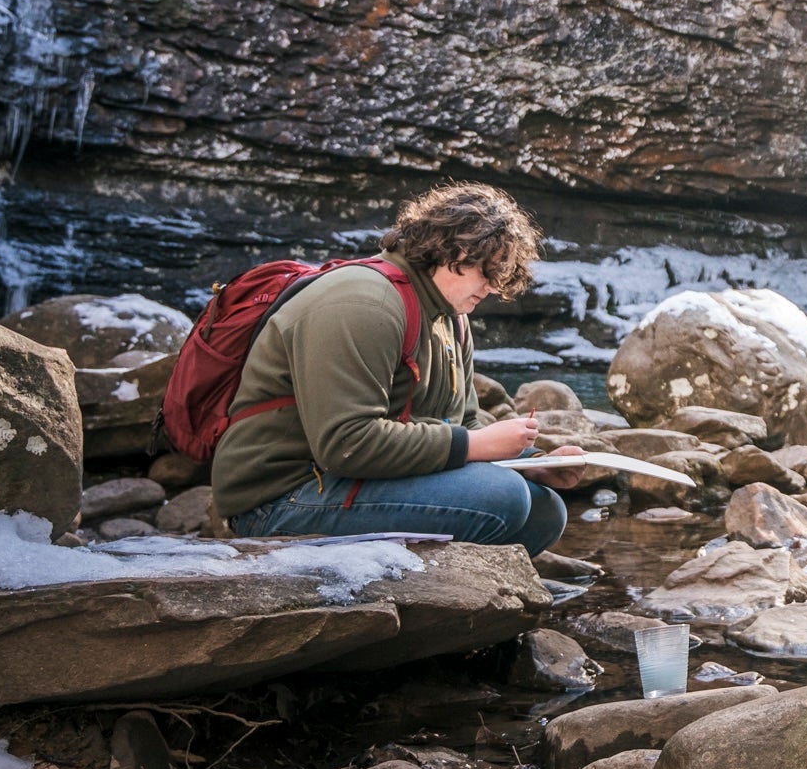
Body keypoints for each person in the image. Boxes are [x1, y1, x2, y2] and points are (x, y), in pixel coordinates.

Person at [212, 182, 585, 556]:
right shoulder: (364, 304)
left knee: (544, 510)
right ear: (455, 250)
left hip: (354, 479)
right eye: (488, 271)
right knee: (503, 497)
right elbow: (345, 443)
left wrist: (532, 464)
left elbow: (464, 424)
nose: (491, 287)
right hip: (282, 497)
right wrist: (476, 447)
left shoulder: (450, 317)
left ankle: (452, 595)